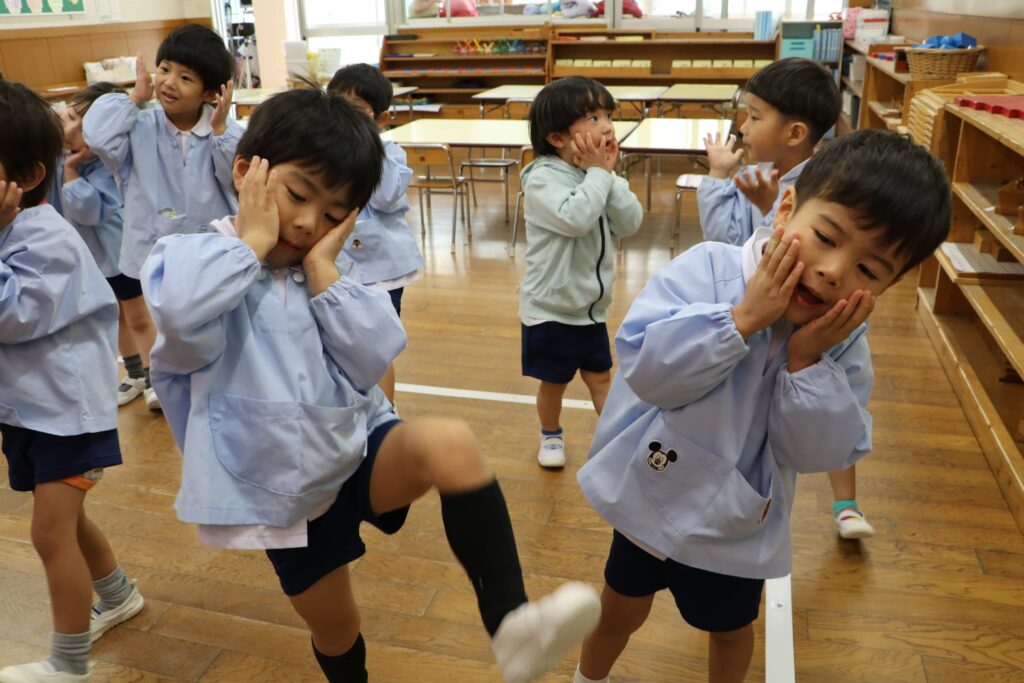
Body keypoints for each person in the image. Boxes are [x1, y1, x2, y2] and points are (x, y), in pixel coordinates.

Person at [140, 88, 601, 683]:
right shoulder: (190, 256)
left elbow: (376, 354)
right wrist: (252, 243)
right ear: (246, 172)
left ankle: (512, 624)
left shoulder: (327, 267)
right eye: (297, 195)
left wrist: (323, 272)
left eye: (334, 215)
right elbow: (181, 313)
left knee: (448, 442)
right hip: (283, 493)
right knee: (337, 626)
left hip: (355, 447)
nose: (309, 224)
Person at [574, 130, 951, 683]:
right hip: (653, 492)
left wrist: (806, 362)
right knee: (619, 608)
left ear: (888, 286)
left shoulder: (843, 344)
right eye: (825, 236)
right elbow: (648, 371)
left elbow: (817, 452)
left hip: (736, 523)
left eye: (869, 271)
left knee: (730, 631)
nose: (833, 270)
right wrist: (742, 319)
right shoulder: (710, 270)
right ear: (787, 209)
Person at [0, 80, 144, 683]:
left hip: (68, 414)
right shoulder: (13, 232)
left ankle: (69, 663)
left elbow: (11, 317)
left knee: (50, 532)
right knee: (67, 520)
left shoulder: (46, 239)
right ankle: (118, 594)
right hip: (32, 408)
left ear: (27, 177)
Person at [699, 58, 872, 539]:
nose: (742, 127)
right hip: (776, 327)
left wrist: (751, 202)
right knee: (806, 406)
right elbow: (736, 249)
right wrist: (737, 189)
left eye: (754, 117)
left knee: (832, 396)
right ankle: (839, 503)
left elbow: (747, 255)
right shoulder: (769, 177)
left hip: (818, 319)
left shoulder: (818, 187)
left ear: (795, 133)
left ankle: (846, 502)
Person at [83, 23, 242, 411]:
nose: (169, 82)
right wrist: (134, 98)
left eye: (185, 77)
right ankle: (167, 383)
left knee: (207, 325)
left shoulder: (224, 132)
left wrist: (221, 129)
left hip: (207, 253)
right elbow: (97, 135)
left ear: (211, 92)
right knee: (163, 323)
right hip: (151, 247)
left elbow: (237, 178)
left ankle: (214, 386)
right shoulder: (140, 125)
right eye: (165, 69)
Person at [519, 76, 643, 469]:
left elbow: (630, 222)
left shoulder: (599, 175)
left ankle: (618, 438)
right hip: (552, 307)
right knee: (554, 382)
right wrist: (599, 175)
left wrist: (607, 175)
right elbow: (576, 218)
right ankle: (550, 435)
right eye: (593, 118)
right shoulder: (541, 178)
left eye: (607, 115)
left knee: (601, 379)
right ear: (557, 137)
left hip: (591, 308)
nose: (607, 126)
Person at [50, 82, 158, 408]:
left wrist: (72, 172)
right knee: (116, 318)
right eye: (69, 114)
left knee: (138, 318)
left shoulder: (108, 167)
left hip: (120, 257)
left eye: (77, 122)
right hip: (95, 260)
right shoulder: (63, 159)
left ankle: (155, 376)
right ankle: (135, 373)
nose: (66, 123)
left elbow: (87, 210)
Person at [327, 64, 423, 403]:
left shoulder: (390, 153)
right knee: (339, 343)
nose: (344, 116)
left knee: (376, 347)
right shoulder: (323, 148)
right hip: (337, 269)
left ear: (380, 118)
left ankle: (384, 415)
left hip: (382, 272)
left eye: (356, 109)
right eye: (337, 105)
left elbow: (384, 195)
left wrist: (364, 144)